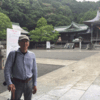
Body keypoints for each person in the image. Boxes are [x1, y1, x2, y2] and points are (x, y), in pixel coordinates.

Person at [4, 35, 37, 100]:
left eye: (26, 41)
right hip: (17, 83)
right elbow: (7, 69)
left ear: (28, 43)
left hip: (29, 82)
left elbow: (34, 70)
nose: (25, 43)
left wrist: (35, 84)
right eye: (22, 41)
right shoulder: (13, 54)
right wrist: (9, 83)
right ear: (19, 43)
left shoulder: (32, 55)